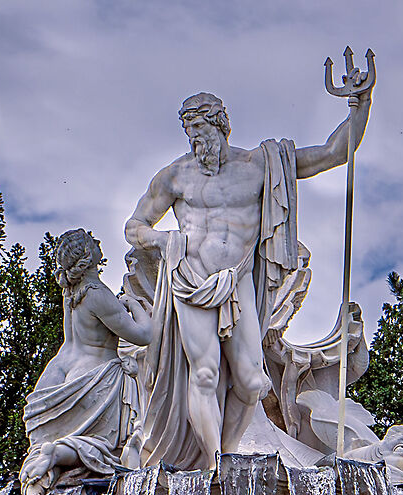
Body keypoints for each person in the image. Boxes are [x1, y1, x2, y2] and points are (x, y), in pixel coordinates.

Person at [125, 84, 370, 468]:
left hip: (237, 283)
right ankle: (215, 462)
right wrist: (162, 239)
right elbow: (134, 226)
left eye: (201, 132)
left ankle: (227, 451)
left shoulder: (260, 165)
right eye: (189, 135)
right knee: (204, 374)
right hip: (189, 281)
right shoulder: (174, 176)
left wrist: (360, 104)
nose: (196, 144)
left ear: (221, 126)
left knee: (252, 381)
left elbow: (331, 154)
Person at [18, 229, 152, 495]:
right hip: (93, 375)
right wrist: (135, 304)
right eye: (92, 241)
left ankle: (41, 480)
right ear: (89, 256)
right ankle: (54, 454)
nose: (97, 241)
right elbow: (143, 335)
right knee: (98, 444)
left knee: (57, 441)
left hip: (58, 371)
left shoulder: (70, 292)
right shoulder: (97, 294)